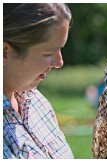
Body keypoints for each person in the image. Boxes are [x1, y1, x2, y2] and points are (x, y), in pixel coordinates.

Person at [3, 3, 74, 159]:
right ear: (4, 52)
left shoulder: (36, 101)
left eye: (60, 49)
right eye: (49, 53)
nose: (59, 62)